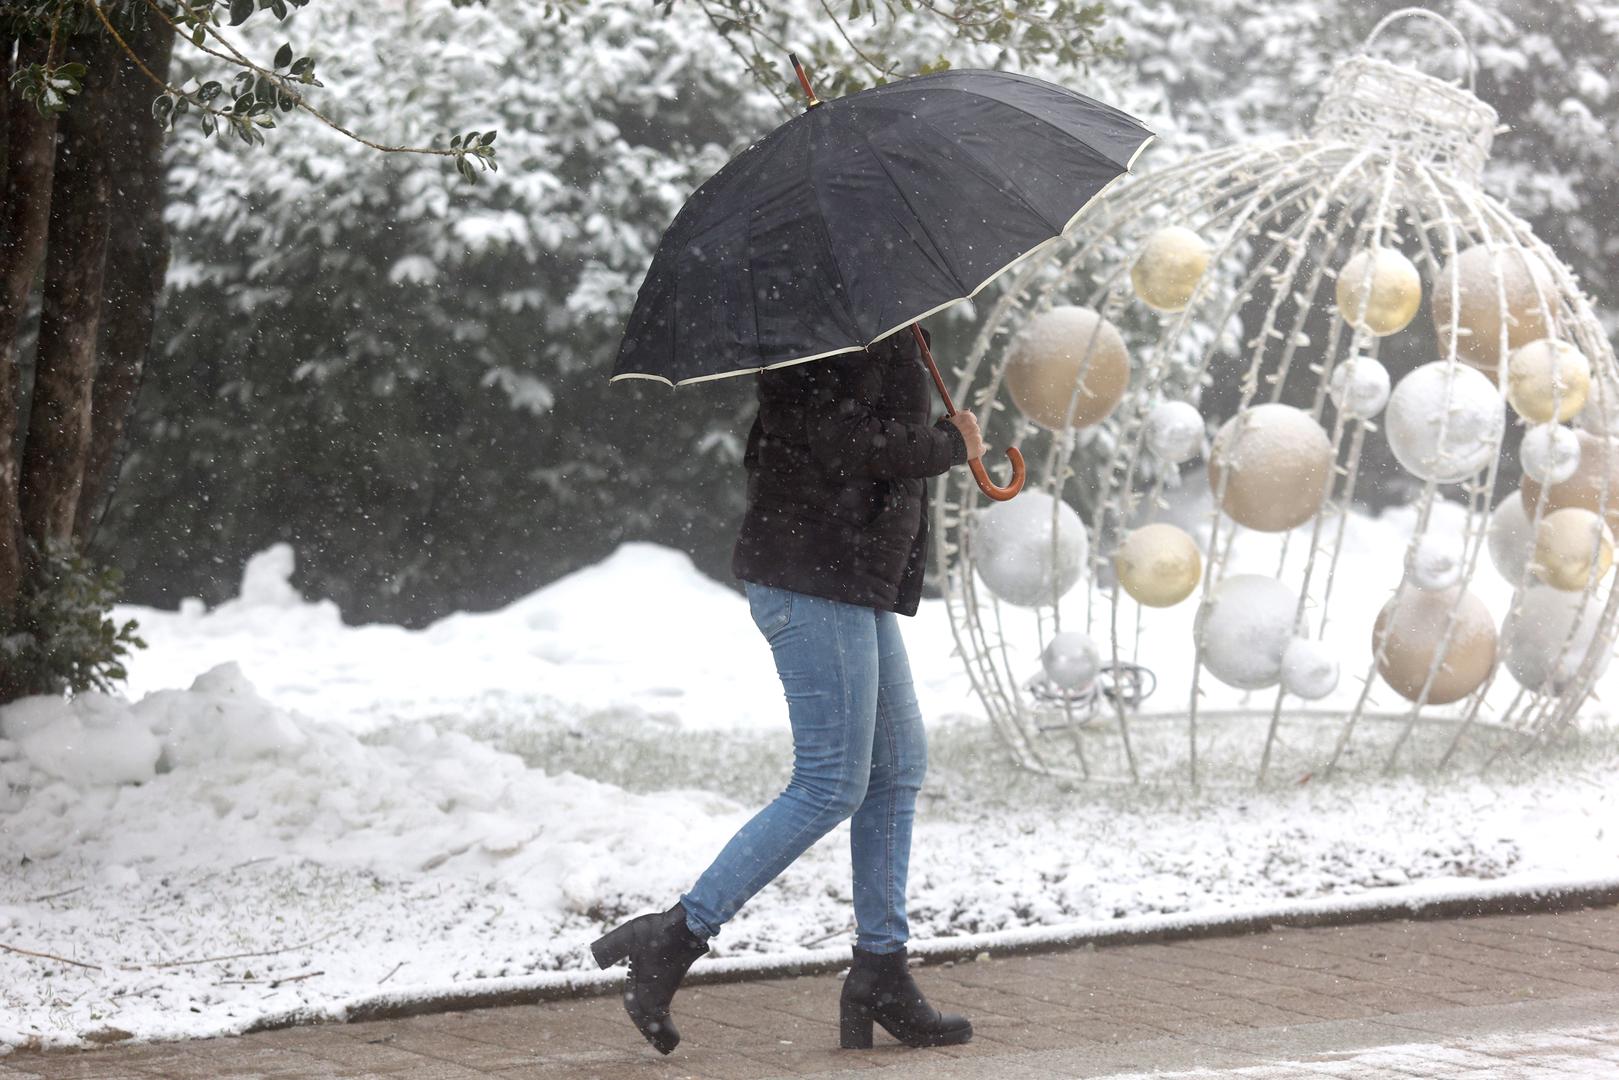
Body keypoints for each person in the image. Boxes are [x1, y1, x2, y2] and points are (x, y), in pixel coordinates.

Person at [590, 326, 984, 1055]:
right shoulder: (811, 325)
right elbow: (845, 444)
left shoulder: (871, 312)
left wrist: (937, 434)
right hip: (810, 572)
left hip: (849, 572)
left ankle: (881, 971)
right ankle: (673, 938)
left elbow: (865, 434)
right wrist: (945, 445)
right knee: (831, 781)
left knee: (895, 770)